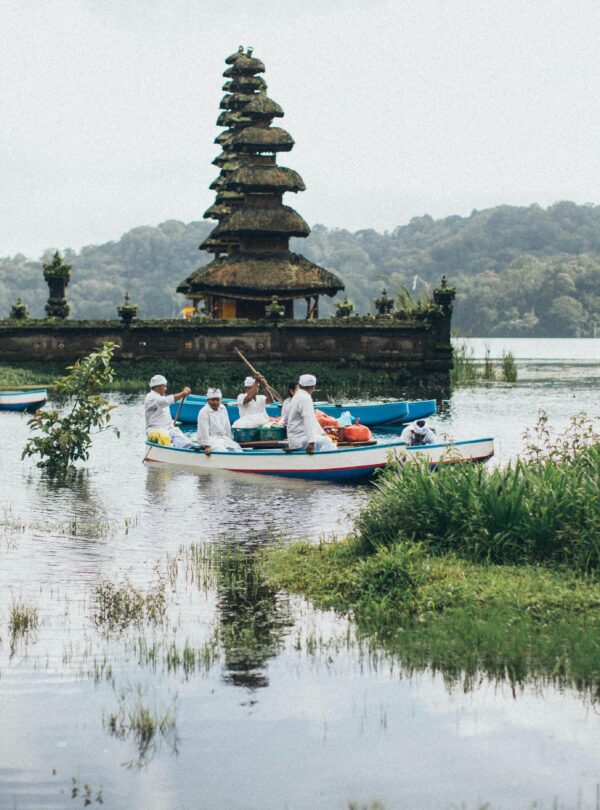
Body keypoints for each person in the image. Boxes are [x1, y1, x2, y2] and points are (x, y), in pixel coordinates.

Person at [285, 374, 336, 453]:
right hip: (300, 440)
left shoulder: (297, 396)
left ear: (299, 385)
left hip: (296, 438)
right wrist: (311, 442)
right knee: (327, 442)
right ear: (313, 387)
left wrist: (322, 433)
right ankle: (329, 462)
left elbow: (313, 420)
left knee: (325, 439)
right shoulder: (305, 398)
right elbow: (307, 420)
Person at [144, 374, 193, 448]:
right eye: (164, 386)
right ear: (158, 386)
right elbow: (165, 401)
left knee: (188, 444)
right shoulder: (151, 397)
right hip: (155, 431)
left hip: (169, 430)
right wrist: (183, 394)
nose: (166, 389)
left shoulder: (160, 396)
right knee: (164, 438)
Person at [197, 388, 242, 454]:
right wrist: (207, 446)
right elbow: (204, 431)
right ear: (208, 400)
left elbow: (227, 426)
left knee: (237, 449)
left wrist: (229, 440)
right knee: (222, 451)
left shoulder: (223, 408)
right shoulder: (203, 412)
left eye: (217, 400)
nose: (215, 402)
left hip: (222, 438)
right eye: (212, 400)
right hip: (209, 439)